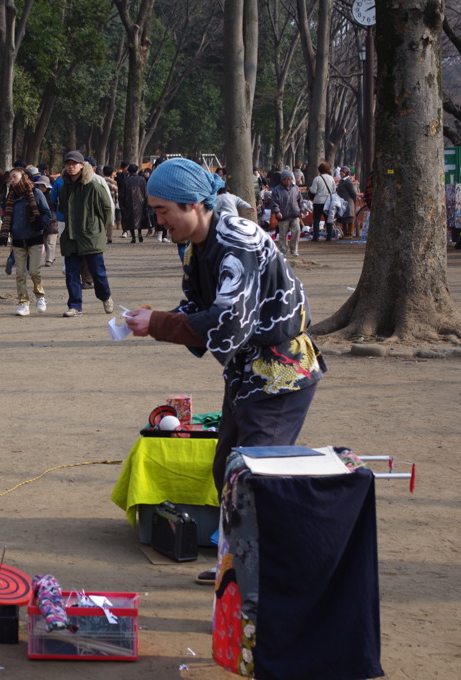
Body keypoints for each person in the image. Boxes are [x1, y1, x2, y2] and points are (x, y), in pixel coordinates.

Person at [125, 158, 324, 586]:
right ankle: (235, 562)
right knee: (227, 469)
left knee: (254, 476)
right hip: (246, 374)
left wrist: (158, 323)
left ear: (195, 204)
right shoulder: (199, 245)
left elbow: (228, 322)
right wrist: (154, 318)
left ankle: (259, 580)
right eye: (154, 210)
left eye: (163, 210)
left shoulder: (238, 238)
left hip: (280, 374)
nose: (158, 220)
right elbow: (199, 310)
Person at [57, 151, 114, 317]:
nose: (71, 167)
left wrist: (97, 227)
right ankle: (75, 306)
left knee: (97, 271)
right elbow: (62, 208)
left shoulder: (94, 185)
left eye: (74, 164)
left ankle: (105, 296)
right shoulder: (63, 188)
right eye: (68, 164)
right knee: (71, 273)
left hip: (91, 235)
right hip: (71, 236)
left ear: (82, 165)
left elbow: (107, 208)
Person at [0, 168, 51, 315]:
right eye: (10, 178)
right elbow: (7, 217)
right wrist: (4, 233)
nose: (12, 180)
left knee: (34, 271)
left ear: (23, 177)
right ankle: (23, 303)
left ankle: (40, 296)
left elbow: (46, 212)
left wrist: (41, 222)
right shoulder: (11, 197)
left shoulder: (35, 193)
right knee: (20, 273)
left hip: (34, 238)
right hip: (18, 240)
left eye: (15, 177)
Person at [272, 170, 306, 256]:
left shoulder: (296, 188)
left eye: (290, 179)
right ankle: (283, 251)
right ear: (282, 180)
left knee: (297, 231)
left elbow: (300, 201)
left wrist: (301, 210)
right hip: (283, 216)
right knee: (283, 235)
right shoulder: (277, 190)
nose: (288, 181)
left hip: (295, 215)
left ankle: (294, 249)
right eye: (286, 179)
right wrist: (277, 212)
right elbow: (274, 203)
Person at [307, 161, 336, 241]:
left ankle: (316, 236)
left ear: (319, 170)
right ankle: (329, 236)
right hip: (328, 201)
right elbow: (334, 190)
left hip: (318, 201)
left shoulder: (317, 179)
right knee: (328, 219)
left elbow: (313, 191)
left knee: (316, 219)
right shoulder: (331, 178)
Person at [121, 162, 148, 243]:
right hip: (140, 201)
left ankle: (133, 237)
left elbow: (122, 193)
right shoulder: (142, 179)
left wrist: (122, 203)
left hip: (128, 202)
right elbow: (145, 191)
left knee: (130, 219)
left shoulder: (126, 180)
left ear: (129, 170)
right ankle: (140, 233)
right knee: (139, 218)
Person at [36, 175, 60, 266]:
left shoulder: (52, 196)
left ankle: (49, 260)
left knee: (51, 242)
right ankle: (51, 257)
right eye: (39, 186)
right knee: (45, 242)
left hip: (53, 221)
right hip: (42, 221)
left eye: (42, 186)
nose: (40, 187)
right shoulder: (37, 196)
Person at [336, 166, 358, 238]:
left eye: (343, 172)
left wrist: (354, 201)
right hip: (342, 203)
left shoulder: (348, 182)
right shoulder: (341, 181)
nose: (341, 173)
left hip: (348, 203)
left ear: (346, 173)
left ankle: (350, 234)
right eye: (340, 172)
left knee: (349, 219)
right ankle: (345, 234)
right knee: (343, 219)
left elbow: (353, 193)